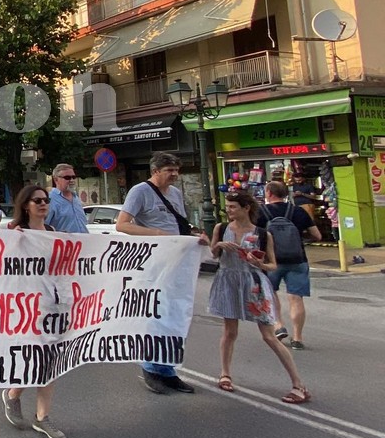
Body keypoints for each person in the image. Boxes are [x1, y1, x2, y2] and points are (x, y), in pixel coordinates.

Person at [114, 152, 209, 394]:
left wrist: (195, 235)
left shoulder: (175, 193)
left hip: (178, 261)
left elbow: (181, 223)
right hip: (155, 262)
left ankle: (168, 370)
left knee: (175, 314)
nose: (175, 175)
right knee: (156, 313)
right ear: (155, 171)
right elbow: (122, 224)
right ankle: (150, 368)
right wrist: (156, 234)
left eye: (176, 170)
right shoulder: (140, 191)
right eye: (169, 170)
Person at [209, 190, 311, 404]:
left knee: (269, 336)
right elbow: (213, 254)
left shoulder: (264, 234)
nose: (228, 210)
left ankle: (298, 384)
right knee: (229, 331)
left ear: (246, 208)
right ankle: (225, 373)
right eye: (227, 207)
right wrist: (218, 245)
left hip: (254, 284)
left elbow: (273, 264)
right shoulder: (222, 228)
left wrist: (259, 264)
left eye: (233, 207)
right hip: (228, 281)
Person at [1, 185, 66, 438]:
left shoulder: (52, 233)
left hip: (53, 306)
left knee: (50, 362)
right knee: (35, 359)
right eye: (37, 200)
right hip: (25, 308)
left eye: (46, 200)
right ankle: (13, 393)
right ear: (25, 205)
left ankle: (42, 418)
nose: (43, 204)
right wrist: (12, 242)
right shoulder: (14, 233)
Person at [257, 181, 321, 349]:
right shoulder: (298, 211)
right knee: (296, 298)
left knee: (271, 293)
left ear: (269, 193)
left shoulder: (261, 212)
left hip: (271, 261)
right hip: (297, 259)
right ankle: (297, 338)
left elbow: (253, 237)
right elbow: (317, 236)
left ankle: (278, 325)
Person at [45, 163, 89, 234]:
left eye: (73, 177)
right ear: (56, 179)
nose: (71, 180)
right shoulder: (50, 200)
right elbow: (43, 227)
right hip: (63, 243)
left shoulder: (76, 198)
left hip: (83, 242)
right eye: (67, 177)